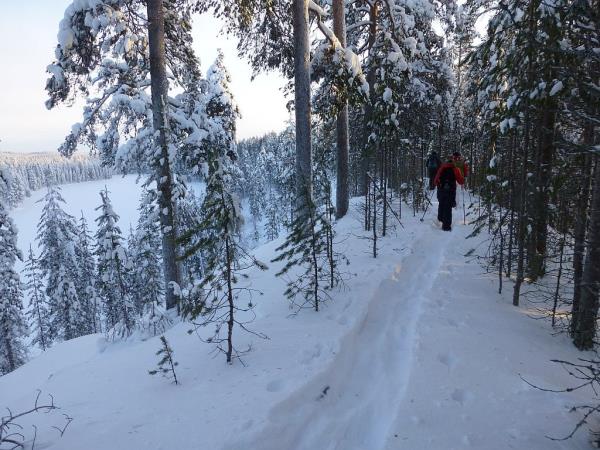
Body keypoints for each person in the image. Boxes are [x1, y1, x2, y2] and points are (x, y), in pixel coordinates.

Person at [434, 157, 465, 231]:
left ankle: (441, 218)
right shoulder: (455, 169)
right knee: (448, 207)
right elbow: (461, 181)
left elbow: (435, 180)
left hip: (441, 190)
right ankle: (446, 226)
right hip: (450, 191)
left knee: (441, 203)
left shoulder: (442, 168)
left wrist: (439, 185)